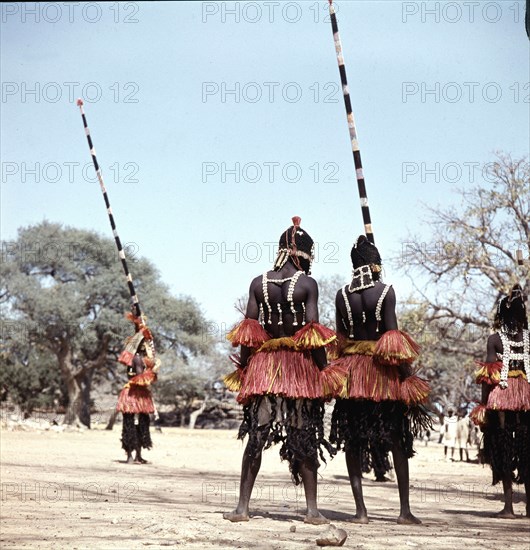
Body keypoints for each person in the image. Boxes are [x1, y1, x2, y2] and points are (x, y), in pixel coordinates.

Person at [223, 217, 336, 524]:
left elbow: (249, 332)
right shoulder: (307, 284)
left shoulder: (257, 283)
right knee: (303, 433)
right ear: (301, 254)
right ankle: (312, 511)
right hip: (297, 368)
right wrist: (324, 372)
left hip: (266, 365)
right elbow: (313, 332)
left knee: (256, 434)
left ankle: (242, 508)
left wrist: (246, 368)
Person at [323, 235, 430, 524]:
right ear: (375, 265)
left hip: (352, 374)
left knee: (354, 440)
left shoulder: (341, 295)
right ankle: (404, 511)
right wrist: (408, 377)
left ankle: (361, 512)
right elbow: (392, 339)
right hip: (381, 373)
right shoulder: (386, 292)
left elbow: (341, 338)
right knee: (397, 439)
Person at [471, 285, 530, 518]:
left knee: (503, 447)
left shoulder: (494, 340)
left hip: (502, 397)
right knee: (527, 449)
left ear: (501, 316)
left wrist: (484, 405)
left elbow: (488, 377)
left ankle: (508, 507)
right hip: (526, 396)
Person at [116, 314, 159, 464]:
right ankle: (132, 456)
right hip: (135, 394)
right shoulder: (137, 358)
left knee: (140, 423)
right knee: (133, 423)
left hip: (136, 394)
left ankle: (136, 455)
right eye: (146, 342)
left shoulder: (138, 358)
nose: (148, 345)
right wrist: (151, 373)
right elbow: (141, 378)